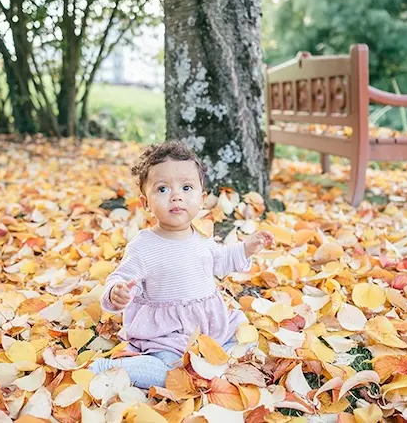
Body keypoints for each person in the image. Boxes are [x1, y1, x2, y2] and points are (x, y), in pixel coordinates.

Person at [88, 140, 274, 388]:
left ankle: (215, 362)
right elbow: (121, 276)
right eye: (163, 189)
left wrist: (247, 247)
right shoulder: (144, 246)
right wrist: (117, 292)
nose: (176, 196)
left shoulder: (202, 237)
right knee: (172, 373)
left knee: (245, 338)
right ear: (145, 203)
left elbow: (220, 261)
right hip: (167, 333)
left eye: (186, 187)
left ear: (202, 198)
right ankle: (109, 369)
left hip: (208, 325)